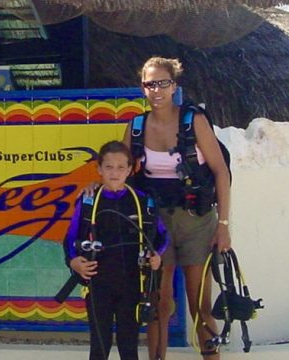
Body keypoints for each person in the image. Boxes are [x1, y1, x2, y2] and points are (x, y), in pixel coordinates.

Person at [84, 57, 231, 360]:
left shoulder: (194, 121)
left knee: (199, 304)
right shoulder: (136, 127)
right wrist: (96, 188)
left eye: (163, 83)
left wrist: (224, 226)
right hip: (156, 226)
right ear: (143, 88)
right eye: (150, 84)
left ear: (174, 86)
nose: (157, 90)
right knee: (156, 303)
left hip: (197, 221)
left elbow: (220, 172)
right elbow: (119, 169)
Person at [63, 140, 168, 360]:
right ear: (99, 168)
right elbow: (70, 238)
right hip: (97, 284)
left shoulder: (142, 202)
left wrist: (157, 256)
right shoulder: (89, 201)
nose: (114, 172)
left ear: (130, 170)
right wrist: (73, 262)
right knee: (100, 346)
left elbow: (162, 236)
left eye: (121, 167)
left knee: (128, 345)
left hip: (131, 283)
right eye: (109, 167)